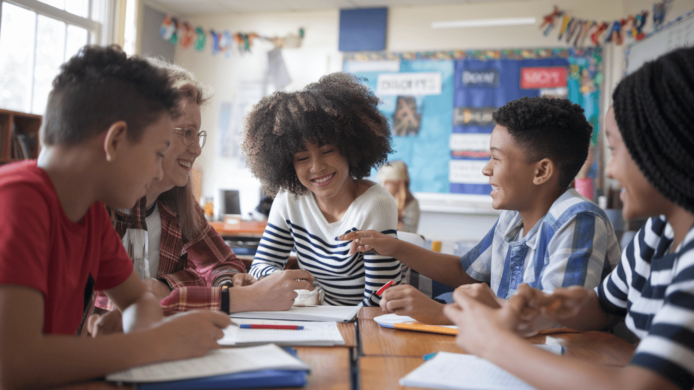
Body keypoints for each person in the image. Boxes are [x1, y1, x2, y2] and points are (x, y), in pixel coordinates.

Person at [445, 47, 694, 390]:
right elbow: (603, 304)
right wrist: (550, 307)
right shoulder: (658, 233)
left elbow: (645, 386)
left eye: (616, 149)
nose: (613, 170)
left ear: (666, 151)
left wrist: (494, 343)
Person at [0, 45, 230, 389]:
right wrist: (155, 343)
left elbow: (138, 300)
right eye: (157, 153)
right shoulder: (17, 199)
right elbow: (14, 364)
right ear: (115, 141)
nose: (156, 171)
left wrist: (130, 325)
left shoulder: (90, 213)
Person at [340, 96, 620, 323]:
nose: (486, 169)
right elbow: (467, 271)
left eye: (496, 158)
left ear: (542, 171)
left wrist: (444, 314)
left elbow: (558, 319)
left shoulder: (576, 219)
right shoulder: (513, 216)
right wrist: (394, 246)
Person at [87, 60, 313, 336]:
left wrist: (170, 286)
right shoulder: (96, 205)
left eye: (198, 135)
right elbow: (112, 305)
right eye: (187, 133)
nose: (196, 149)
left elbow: (224, 265)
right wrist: (227, 295)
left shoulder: (175, 204)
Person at [243, 73, 401, 306]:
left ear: (350, 148)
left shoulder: (375, 205)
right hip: (310, 319)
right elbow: (258, 267)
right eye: (303, 157)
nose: (316, 167)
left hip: (359, 325)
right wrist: (279, 278)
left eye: (327, 151)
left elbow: (379, 299)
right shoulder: (289, 199)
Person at [377, 160, 420, 233]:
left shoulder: (411, 204)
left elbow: (409, 234)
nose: (384, 186)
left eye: (388, 183)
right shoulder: (378, 201)